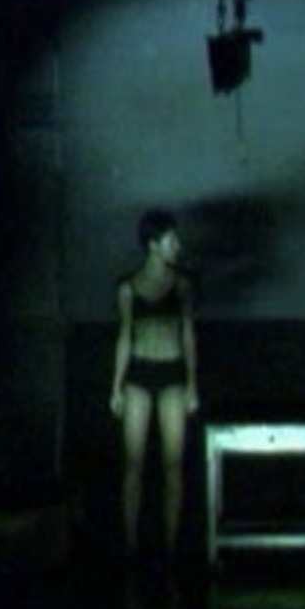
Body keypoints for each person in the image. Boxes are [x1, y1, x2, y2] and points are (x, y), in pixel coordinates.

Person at [110, 209, 200, 559]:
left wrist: (192, 385)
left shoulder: (182, 285)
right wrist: (116, 387)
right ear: (153, 244)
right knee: (132, 464)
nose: (177, 245)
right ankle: (130, 545)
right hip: (138, 376)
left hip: (172, 375)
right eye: (171, 240)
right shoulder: (128, 288)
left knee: (173, 465)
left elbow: (188, 334)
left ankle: (172, 547)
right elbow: (124, 337)